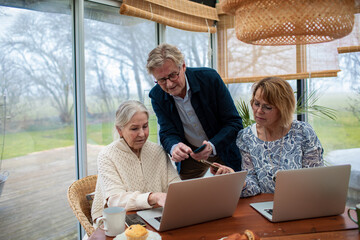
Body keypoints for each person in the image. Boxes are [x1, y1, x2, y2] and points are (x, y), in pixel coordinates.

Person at [210, 77, 324, 197]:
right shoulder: (246, 136)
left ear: (283, 109)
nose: (259, 111)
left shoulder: (303, 131)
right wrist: (234, 178)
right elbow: (252, 185)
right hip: (264, 206)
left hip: (301, 201)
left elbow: (315, 179)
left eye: (267, 107)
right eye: (256, 103)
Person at [147, 43, 243, 180]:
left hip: (222, 146)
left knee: (235, 190)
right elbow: (167, 132)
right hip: (190, 153)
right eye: (161, 80)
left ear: (183, 66)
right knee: (185, 195)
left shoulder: (210, 78)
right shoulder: (156, 95)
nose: (169, 84)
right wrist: (174, 147)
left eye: (173, 75)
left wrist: (212, 146)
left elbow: (234, 123)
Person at [91, 100, 180, 222]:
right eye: (134, 129)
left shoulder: (158, 151)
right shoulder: (107, 156)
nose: (142, 134)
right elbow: (115, 201)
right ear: (119, 130)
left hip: (156, 216)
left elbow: (175, 186)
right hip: (116, 220)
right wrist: (152, 197)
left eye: (145, 126)